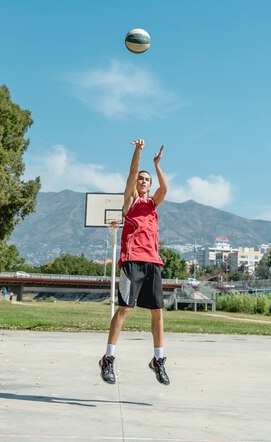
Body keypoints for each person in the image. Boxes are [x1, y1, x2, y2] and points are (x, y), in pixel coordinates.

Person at [99, 139, 170, 386]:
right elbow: (131, 173)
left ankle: (158, 360)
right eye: (141, 179)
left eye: (146, 180)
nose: (143, 181)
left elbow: (165, 189)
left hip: (153, 263)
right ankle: (108, 358)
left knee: (158, 313)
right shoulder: (131, 204)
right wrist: (138, 151)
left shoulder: (152, 205)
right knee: (126, 309)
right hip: (131, 261)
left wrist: (157, 165)